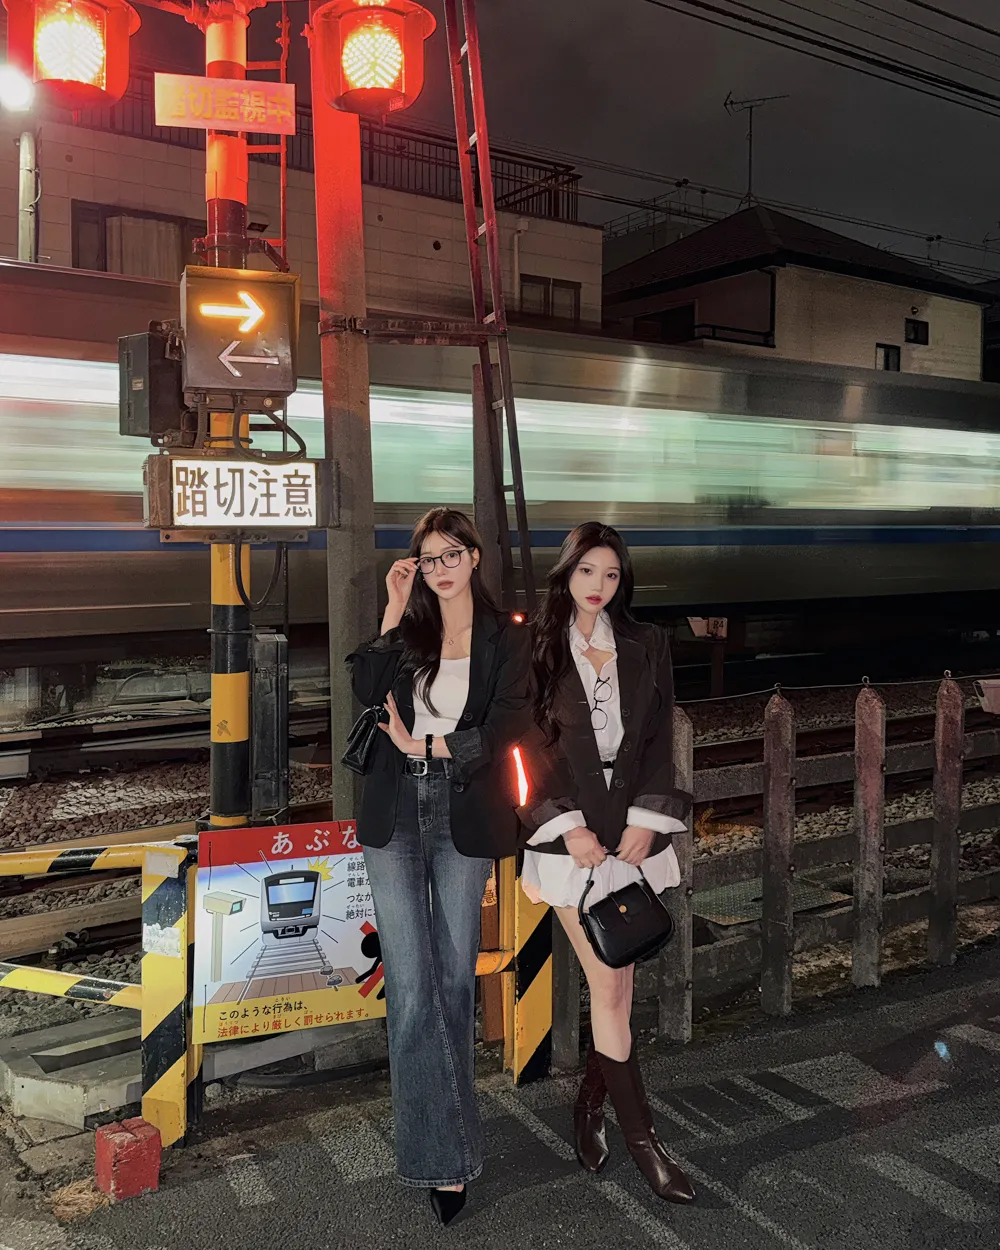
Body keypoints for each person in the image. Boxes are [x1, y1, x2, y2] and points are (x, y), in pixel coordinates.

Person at [347, 507, 528, 1227]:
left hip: (461, 809)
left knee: (452, 982)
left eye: (453, 554)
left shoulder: (505, 636)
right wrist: (393, 608)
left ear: (475, 557)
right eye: (429, 558)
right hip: (394, 813)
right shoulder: (411, 632)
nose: (441, 568)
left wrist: (432, 747)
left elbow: (512, 722)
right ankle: (444, 1162)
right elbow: (367, 688)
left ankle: (439, 1156)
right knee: (412, 988)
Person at [518, 521, 695, 1204]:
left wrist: (650, 820)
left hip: (630, 833)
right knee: (612, 985)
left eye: (612, 574)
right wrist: (567, 828)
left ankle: (592, 1104)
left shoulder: (646, 643)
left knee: (620, 983)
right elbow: (523, 748)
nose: (599, 585)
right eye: (587, 571)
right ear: (566, 573)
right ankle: (646, 1146)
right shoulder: (536, 646)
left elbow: (658, 738)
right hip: (572, 842)